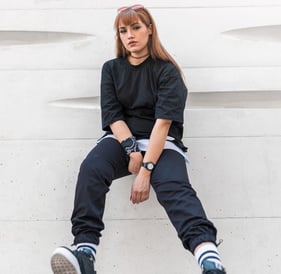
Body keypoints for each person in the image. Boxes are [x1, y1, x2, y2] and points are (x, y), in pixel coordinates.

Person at [50, 4, 226, 274]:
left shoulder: (166, 71)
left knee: (174, 188)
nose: (129, 35)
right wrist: (131, 150)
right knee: (91, 170)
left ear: (149, 30)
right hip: (121, 140)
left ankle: (209, 259)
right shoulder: (111, 69)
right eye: (123, 30)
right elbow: (113, 116)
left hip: (161, 142)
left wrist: (147, 169)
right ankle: (85, 252)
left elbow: (163, 123)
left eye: (135, 27)